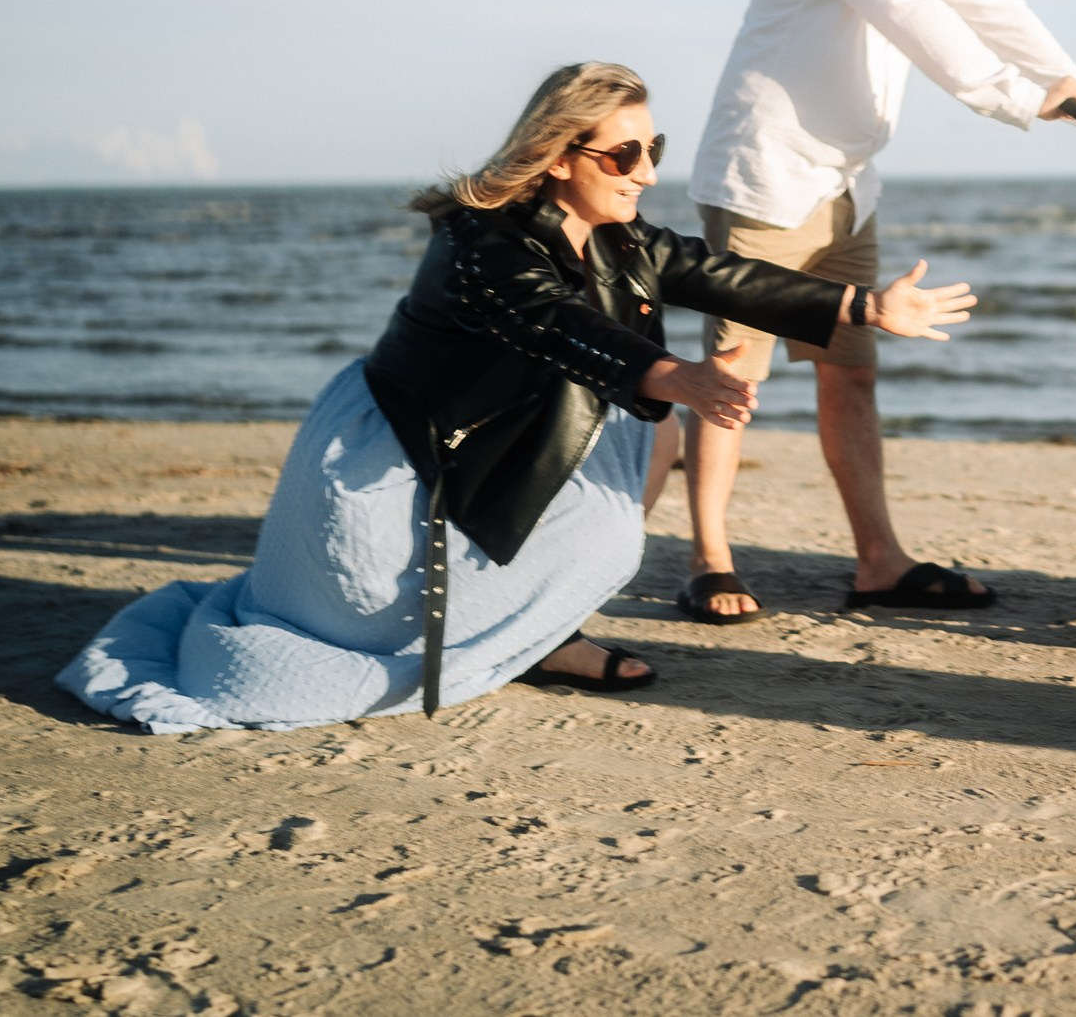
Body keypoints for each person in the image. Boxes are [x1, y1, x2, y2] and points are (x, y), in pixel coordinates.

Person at [56, 62, 973, 733]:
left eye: (653, 148)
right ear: (559, 154)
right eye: (625, 152)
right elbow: (551, 323)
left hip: (504, 440)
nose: (646, 170)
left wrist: (865, 306)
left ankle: (544, 635)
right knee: (632, 455)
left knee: (647, 440)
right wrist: (675, 376)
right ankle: (525, 634)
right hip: (402, 463)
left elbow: (720, 273)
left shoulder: (620, 234)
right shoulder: (480, 239)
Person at [666, 0, 1076, 622]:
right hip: (767, 176)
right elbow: (909, 12)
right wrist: (1024, 99)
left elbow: (994, 8)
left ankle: (879, 563)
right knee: (734, 375)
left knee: (851, 373)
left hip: (849, 182)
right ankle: (710, 559)